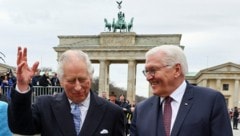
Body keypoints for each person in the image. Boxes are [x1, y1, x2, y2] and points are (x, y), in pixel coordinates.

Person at [8, 47, 126, 136]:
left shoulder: (113, 113)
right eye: (71, 81)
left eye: (82, 79)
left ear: (90, 77)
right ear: (60, 81)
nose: (78, 87)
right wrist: (22, 86)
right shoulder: (45, 106)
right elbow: (20, 126)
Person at [130, 45, 233, 136]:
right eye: (146, 72)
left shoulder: (210, 101)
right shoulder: (141, 109)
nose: (148, 77)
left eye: (153, 70)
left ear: (177, 70)